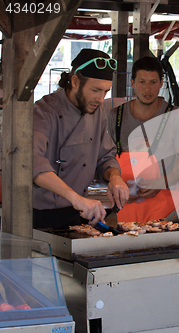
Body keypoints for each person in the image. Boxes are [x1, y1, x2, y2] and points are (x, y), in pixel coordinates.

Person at [33, 49, 129, 229]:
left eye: (105, 91)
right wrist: (75, 198)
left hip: (81, 210)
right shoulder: (44, 112)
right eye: (95, 90)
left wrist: (115, 177)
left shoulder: (97, 109)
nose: (101, 99)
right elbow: (33, 162)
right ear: (75, 81)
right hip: (43, 215)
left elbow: (104, 156)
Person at [107, 56, 179, 222]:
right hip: (122, 208)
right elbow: (104, 159)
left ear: (161, 83)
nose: (148, 89)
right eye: (142, 82)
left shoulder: (175, 116)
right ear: (132, 83)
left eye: (153, 82)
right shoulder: (114, 116)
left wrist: (161, 182)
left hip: (164, 211)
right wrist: (116, 183)